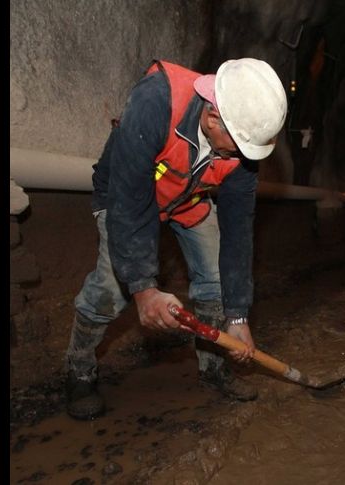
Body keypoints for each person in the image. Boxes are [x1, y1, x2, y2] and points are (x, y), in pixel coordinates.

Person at [65, 58, 288, 420]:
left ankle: (214, 367)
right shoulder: (157, 101)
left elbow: (238, 233)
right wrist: (143, 287)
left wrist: (238, 316)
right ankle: (79, 368)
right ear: (214, 117)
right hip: (126, 196)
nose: (243, 156)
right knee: (111, 287)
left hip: (187, 198)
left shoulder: (242, 150)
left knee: (216, 278)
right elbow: (131, 194)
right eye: (239, 145)